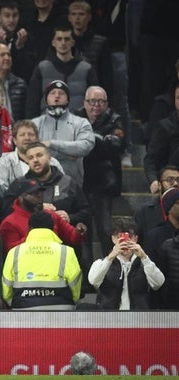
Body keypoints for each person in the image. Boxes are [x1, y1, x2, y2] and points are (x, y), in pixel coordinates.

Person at [75, 86, 126, 255]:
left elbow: (115, 146)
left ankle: (110, 267)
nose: (96, 105)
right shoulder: (75, 117)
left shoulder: (115, 119)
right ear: (84, 102)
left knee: (104, 230)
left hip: (103, 183)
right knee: (82, 230)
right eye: (92, 101)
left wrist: (86, 141)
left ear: (106, 104)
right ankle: (87, 271)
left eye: (100, 101)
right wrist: (98, 141)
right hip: (79, 181)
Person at [2, 210, 82, 310]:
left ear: (30, 229)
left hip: (23, 309)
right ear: (53, 229)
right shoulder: (66, 251)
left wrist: (14, 303)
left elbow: (6, 289)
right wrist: (72, 302)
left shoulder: (15, 252)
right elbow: (76, 284)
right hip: (61, 310)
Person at [88, 218, 165, 310]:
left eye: (129, 237)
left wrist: (144, 258)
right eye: (119, 237)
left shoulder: (145, 263)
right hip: (109, 318)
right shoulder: (101, 263)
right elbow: (93, 281)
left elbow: (158, 283)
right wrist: (110, 257)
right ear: (113, 239)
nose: (124, 242)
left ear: (136, 239)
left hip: (138, 318)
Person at [32, 80, 95, 187]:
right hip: (40, 185)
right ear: (46, 99)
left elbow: (85, 146)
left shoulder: (81, 122)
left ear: (68, 100)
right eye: (52, 93)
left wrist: (50, 144)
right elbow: (29, 150)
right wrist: (70, 152)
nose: (57, 96)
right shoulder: (34, 124)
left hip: (72, 184)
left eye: (61, 93)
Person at [25, 25, 98, 118]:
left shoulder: (86, 69)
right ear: (53, 42)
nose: (63, 43)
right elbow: (32, 103)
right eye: (59, 39)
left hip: (79, 124)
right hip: (47, 123)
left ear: (73, 42)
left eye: (67, 39)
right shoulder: (42, 68)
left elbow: (95, 101)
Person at [0, 178, 87, 254]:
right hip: (27, 269)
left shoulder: (50, 215)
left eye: (40, 192)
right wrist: (37, 236)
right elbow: (12, 251)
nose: (39, 196)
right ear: (21, 197)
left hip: (53, 265)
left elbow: (72, 236)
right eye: (33, 193)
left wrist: (79, 232)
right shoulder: (9, 223)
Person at [0, 119, 64, 193]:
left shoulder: (53, 162)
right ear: (14, 140)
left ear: (37, 139)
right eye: (22, 135)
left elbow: (63, 187)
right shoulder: (3, 163)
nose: (27, 138)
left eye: (31, 134)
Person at [134, 165, 179, 247]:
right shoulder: (144, 211)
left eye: (178, 180)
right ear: (159, 185)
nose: (176, 184)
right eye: (170, 180)